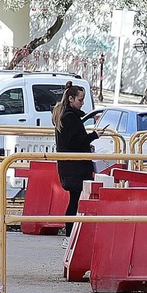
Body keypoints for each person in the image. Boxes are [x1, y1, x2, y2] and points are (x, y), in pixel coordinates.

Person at [52, 82, 95, 248]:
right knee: (75, 200)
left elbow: (70, 141)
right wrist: (93, 136)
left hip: (69, 165)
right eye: (80, 99)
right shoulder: (70, 117)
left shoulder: (64, 114)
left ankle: (70, 235)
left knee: (75, 199)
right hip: (74, 166)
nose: (82, 102)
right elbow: (74, 141)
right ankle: (69, 236)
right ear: (71, 99)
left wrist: (86, 144)